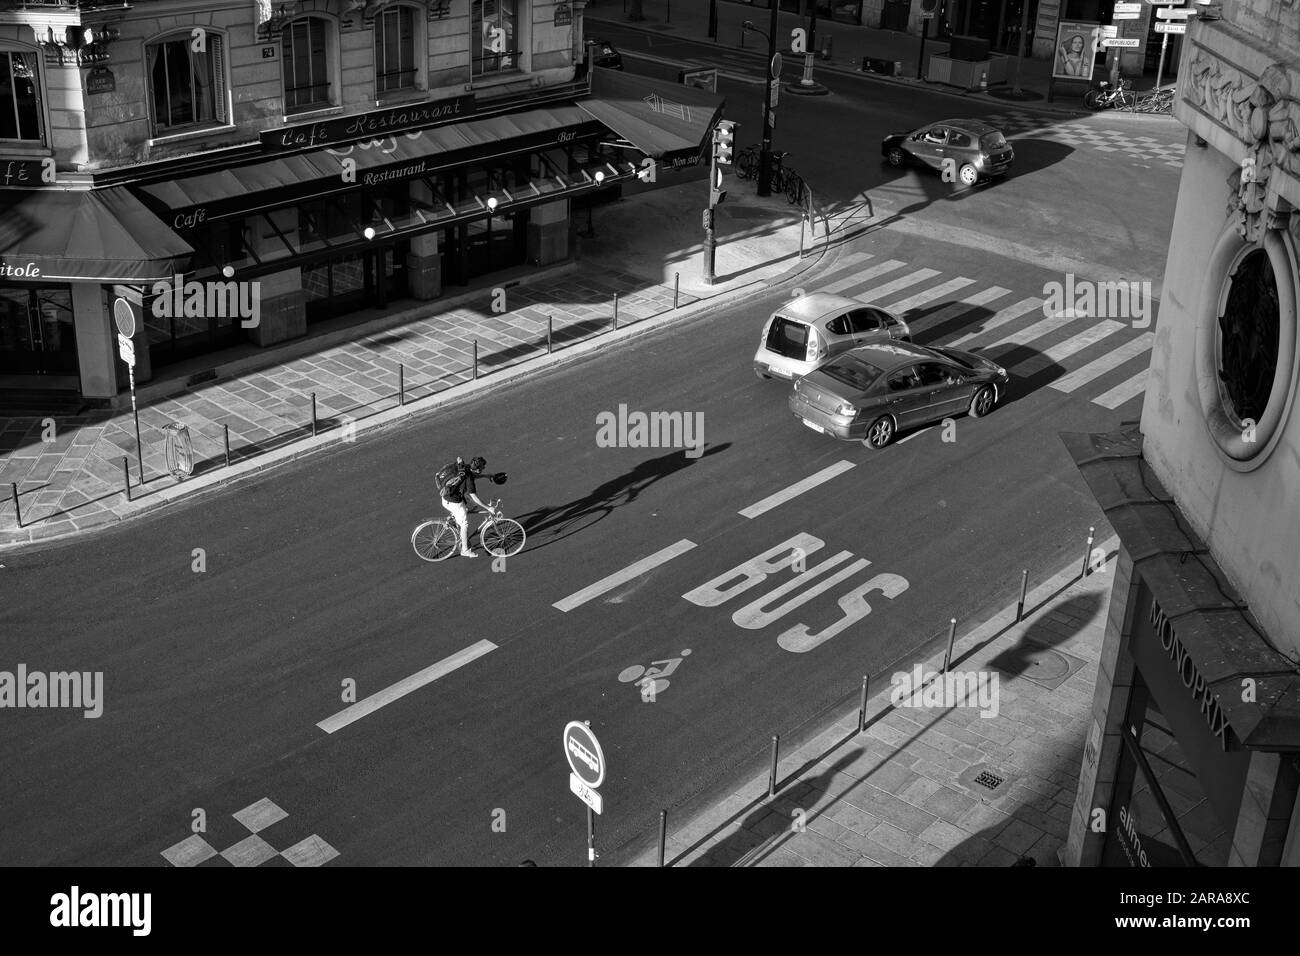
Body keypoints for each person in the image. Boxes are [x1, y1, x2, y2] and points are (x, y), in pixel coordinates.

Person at [441, 455, 498, 558]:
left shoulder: (466, 468)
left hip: (448, 496)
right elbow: (474, 496)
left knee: (471, 507)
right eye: (482, 468)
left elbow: (473, 474)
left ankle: (454, 521)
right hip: (454, 502)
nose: (483, 469)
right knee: (465, 523)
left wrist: (485, 476)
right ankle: (465, 550)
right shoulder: (469, 480)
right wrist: (488, 508)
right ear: (478, 469)